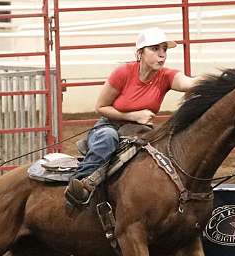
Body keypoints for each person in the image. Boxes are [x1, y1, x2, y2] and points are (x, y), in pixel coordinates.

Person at [65, 27, 199, 205]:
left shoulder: (166, 76)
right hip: (110, 125)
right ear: (140, 53)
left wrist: (223, 79)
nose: (162, 55)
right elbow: (101, 107)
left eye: (164, 49)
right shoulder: (123, 73)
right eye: (155, 49)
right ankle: (81, 184)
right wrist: (133, 116)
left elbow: (189, 83)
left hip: (140, 130)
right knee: (107, 138)